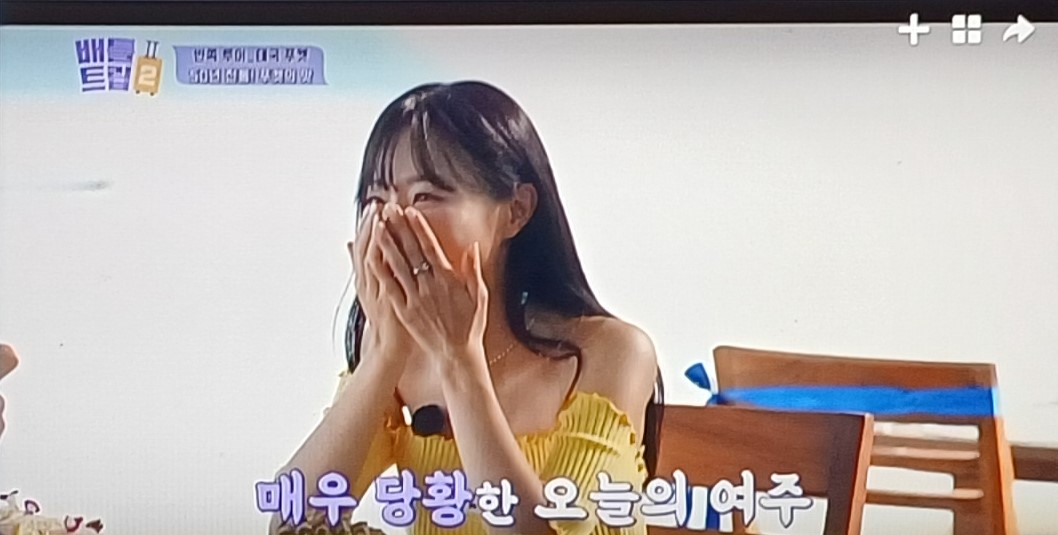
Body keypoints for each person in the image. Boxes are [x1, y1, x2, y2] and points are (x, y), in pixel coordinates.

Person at [274, 81, 664, 534]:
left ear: (516, 211)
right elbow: (291, 519)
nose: (392, 221)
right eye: (376, 200)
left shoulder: (612, 352)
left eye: (425, 196)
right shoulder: (396, 358)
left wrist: (459, 361)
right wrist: (381, 356)